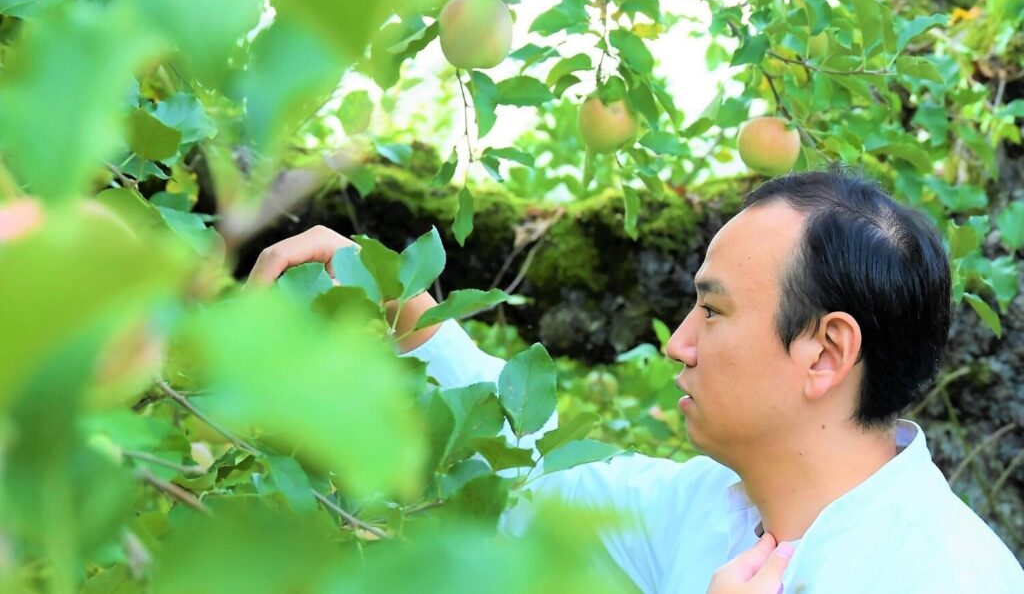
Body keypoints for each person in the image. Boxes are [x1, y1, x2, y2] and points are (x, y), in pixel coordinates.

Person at [247, 168, 1024, 593]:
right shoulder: (710, 508)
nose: (678, 344)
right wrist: (395, 298)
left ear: (825, 352)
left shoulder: (950, 577)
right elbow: (535, 471)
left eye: (712, 311)